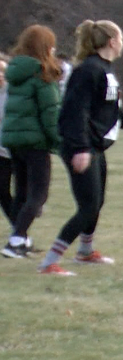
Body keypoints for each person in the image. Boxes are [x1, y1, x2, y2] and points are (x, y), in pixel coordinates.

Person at [36, 20, 123, 276]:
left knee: (96, 203)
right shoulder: (88, 70)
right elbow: (76, 111)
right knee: (88, 207)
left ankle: (85, 252)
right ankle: (49, 262)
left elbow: (105, 108)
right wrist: (80, 148)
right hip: (81, 146)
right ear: (112, 41)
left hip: (94, 145)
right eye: (121, 38)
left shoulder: (104, 69)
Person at [0, 25, 63, 260]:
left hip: (13, 140)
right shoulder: (42, 75)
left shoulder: (15, 73)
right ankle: (16, 240)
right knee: (38, 194)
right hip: (35, 141)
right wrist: (58, 141)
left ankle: (20, 239)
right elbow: (50, 113)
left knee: (22, 192)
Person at [0, 57, 15, 231]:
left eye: (3, 71)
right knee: (3, 191)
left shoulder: (14, 92)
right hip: (1, 152)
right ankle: (19, 231)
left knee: (25, 193)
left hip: (18, 148)